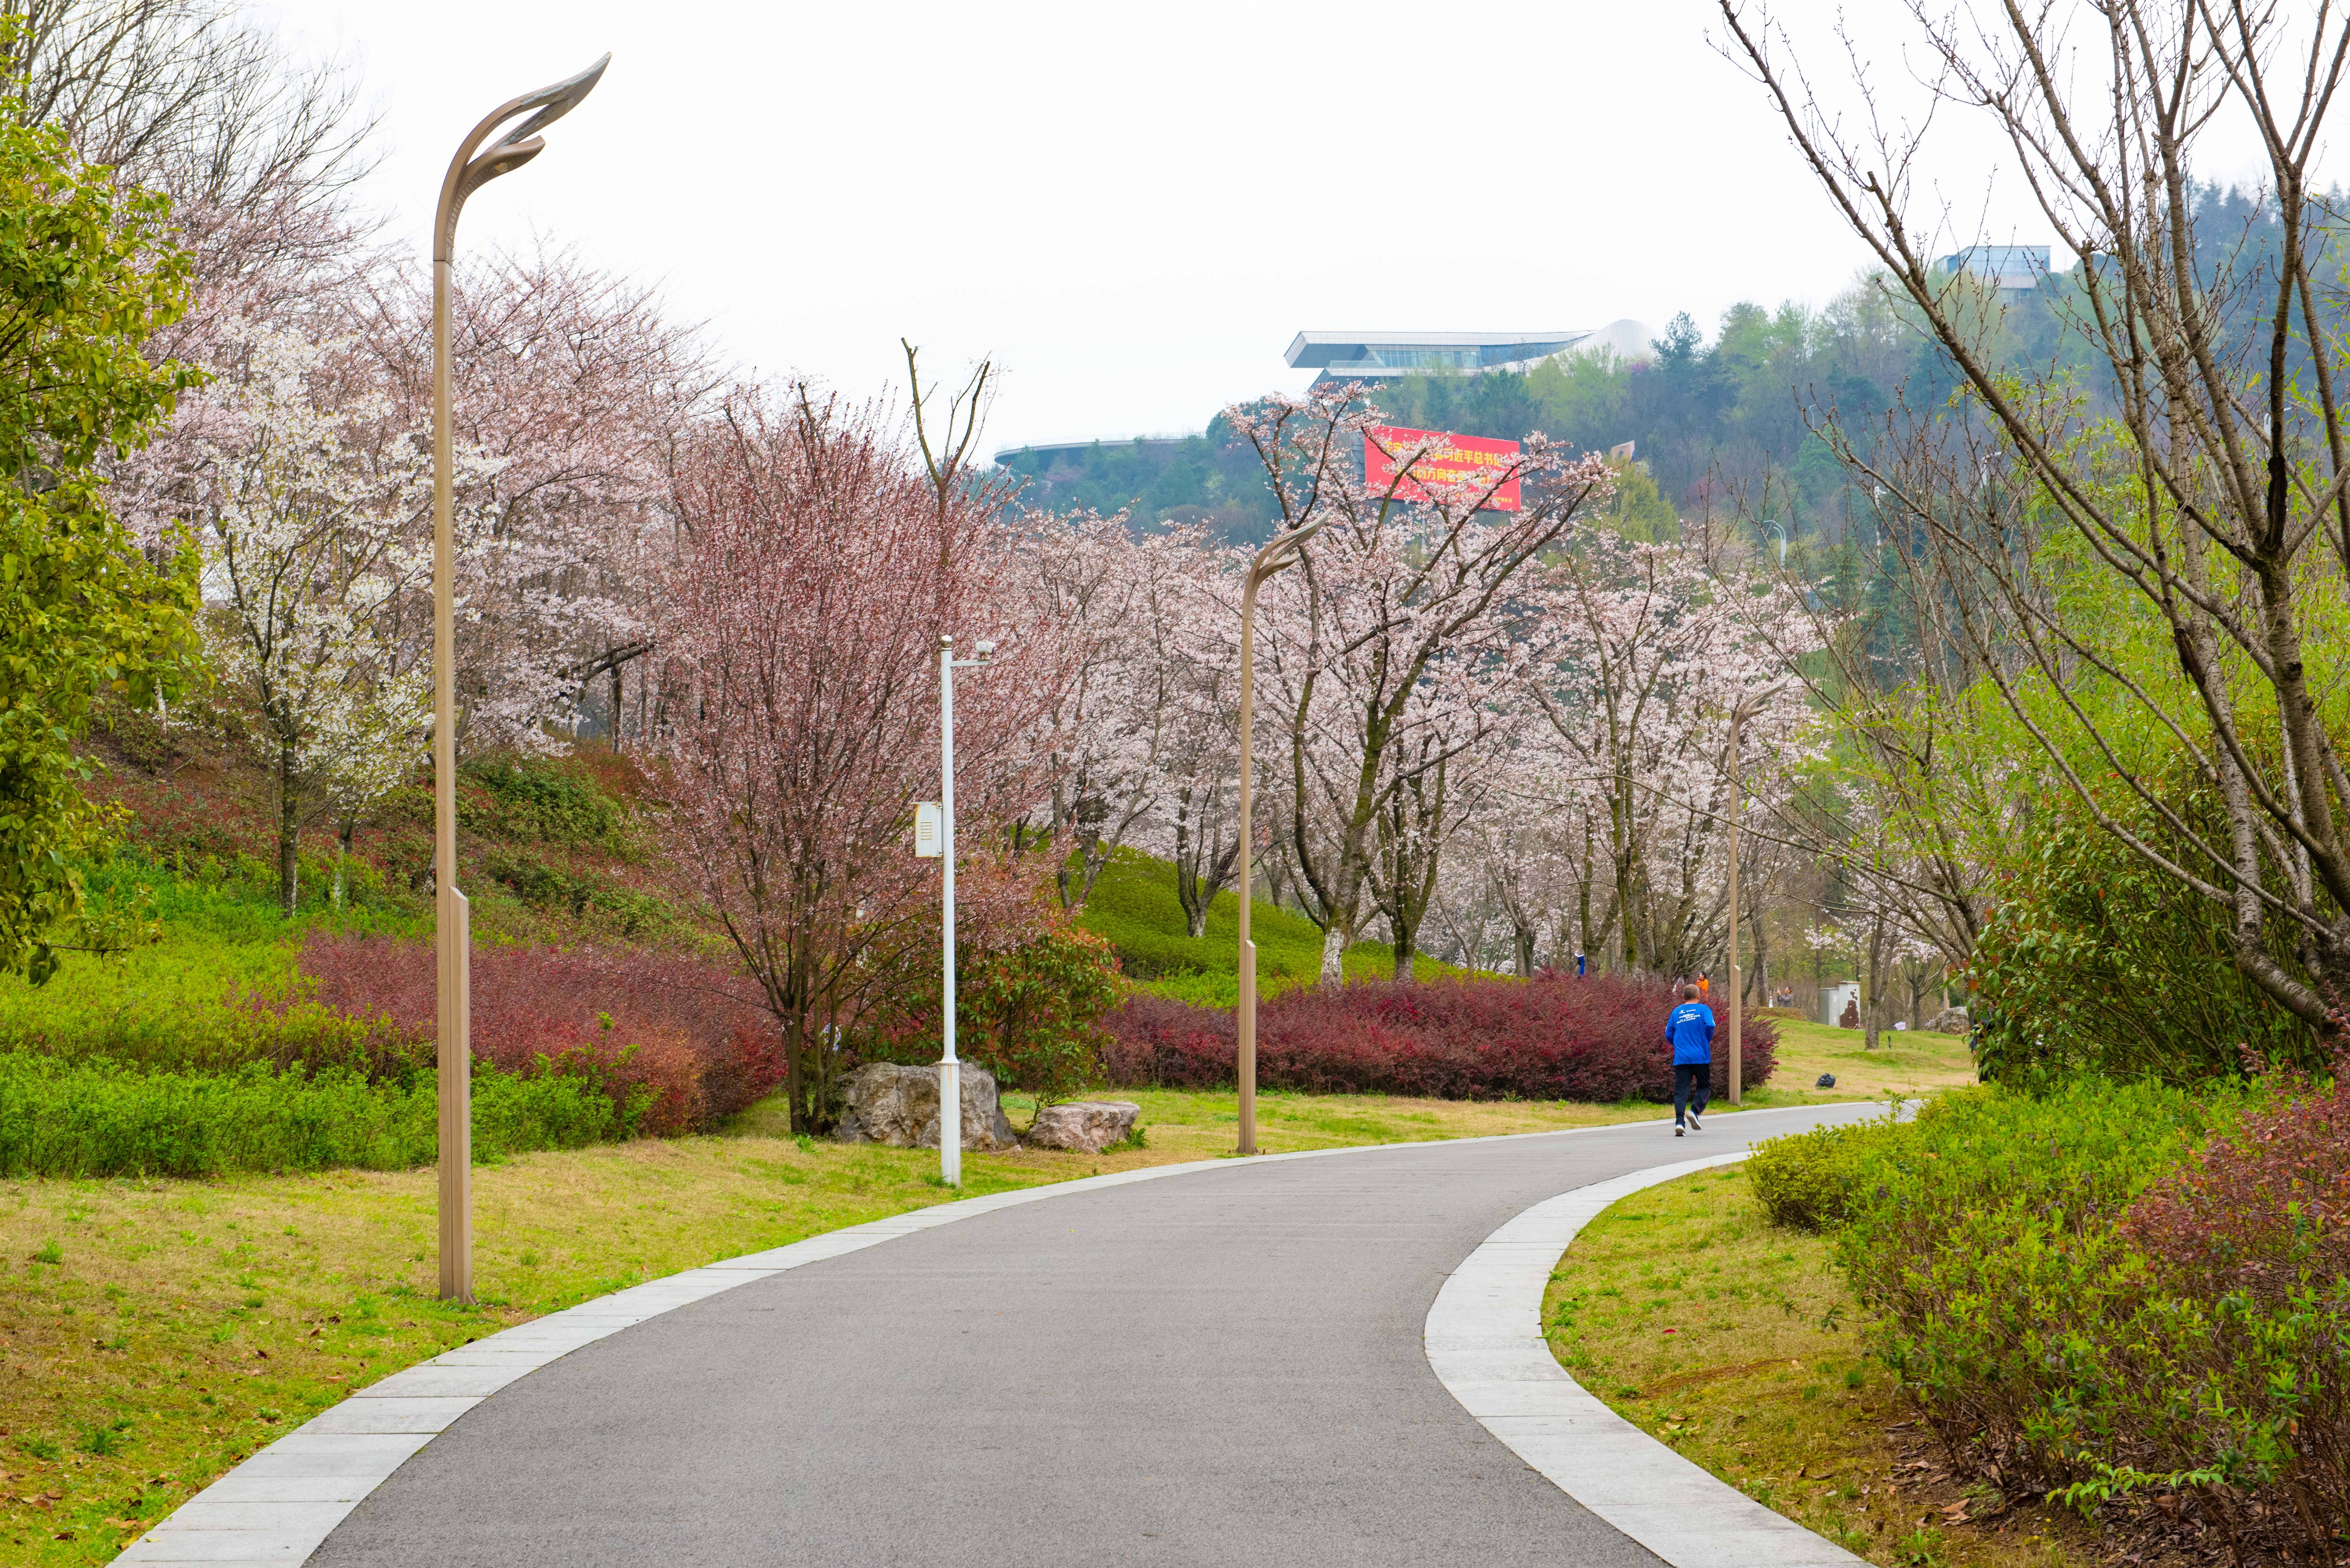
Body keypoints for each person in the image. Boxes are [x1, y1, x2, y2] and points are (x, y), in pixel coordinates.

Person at [1665, 982, 1715, 1136]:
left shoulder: (1676, 1012)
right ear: (1699, 996)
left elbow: (1668, 1034)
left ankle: (1680, 1123)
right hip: (1701, 1056)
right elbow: (1710, 1025)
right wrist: (1705, 1040)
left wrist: (1679, 1044)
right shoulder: (1704, 1010)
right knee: (1704, 1087)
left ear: (1683, 997)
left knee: (1681, 1092)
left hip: (1682, 1058)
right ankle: (1694, 1111)